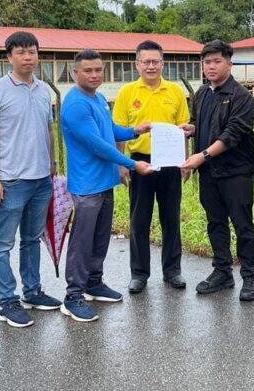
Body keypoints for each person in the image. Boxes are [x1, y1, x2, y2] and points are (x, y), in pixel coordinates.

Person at [59, 49, 153, 323]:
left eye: (98, 70)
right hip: (87, 185)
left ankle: (93, 283)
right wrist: (132, 163)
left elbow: (109, 131)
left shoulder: (98, 98)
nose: (94, 75)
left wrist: (136, 130)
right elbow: (97, 145)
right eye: (87, 70)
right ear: (75, 73)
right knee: (82, 241)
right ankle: (73, 295)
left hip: (104, 181)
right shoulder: (76, 104)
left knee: (100, 237)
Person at [0, 32, 62, 329]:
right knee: (2, 244)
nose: (27, 57)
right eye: (21, 52)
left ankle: (32, 291)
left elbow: (48, 129)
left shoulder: (43, 90)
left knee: (31, 239)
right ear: (9, 57)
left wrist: (52, 164)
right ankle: (7, 301)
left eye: (32, 52)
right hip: (10, 180)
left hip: (41, 179)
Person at [180, 40, 254, 301]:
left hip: (237, 172)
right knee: (215, 222)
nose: (211, 66)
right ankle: (222, 272)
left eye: (217, 61)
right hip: (209, 172)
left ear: (229, 63)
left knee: (242, 224)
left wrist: (201, 156)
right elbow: (200, 122)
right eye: (207, 62)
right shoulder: (202, 93)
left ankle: (250, 276)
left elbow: (232, 134)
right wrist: (192, 129)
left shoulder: (241, 96)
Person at [113, 40, 190, 293]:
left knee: (171, 218)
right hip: (139, 161)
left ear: (163, 63)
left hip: (170, 162)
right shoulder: (127, 92)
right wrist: (122, 164)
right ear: (137, 64)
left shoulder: (175, 91)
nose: (151, 66)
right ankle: (139, 274)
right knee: (139, 220)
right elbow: (119, 132)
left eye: (155, 61)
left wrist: (185, 161)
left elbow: (183, 130)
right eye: (145, 61)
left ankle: (172, 271)